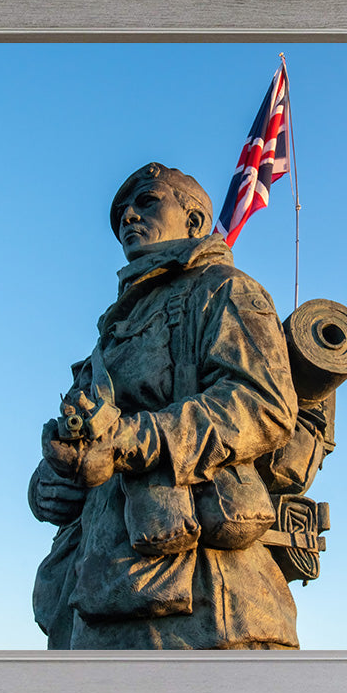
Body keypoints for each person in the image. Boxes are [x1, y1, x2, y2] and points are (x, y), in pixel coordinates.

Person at [29, 162, 320, 650]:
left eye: (147, 202)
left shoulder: (224, 291)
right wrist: (49, 483)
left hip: (206, 602)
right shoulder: (111, 334)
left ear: (194, 222)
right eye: (122, 211)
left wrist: (133, 439)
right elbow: (84, 446)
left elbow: (262, 403)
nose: (128, 217)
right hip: (97, 602)